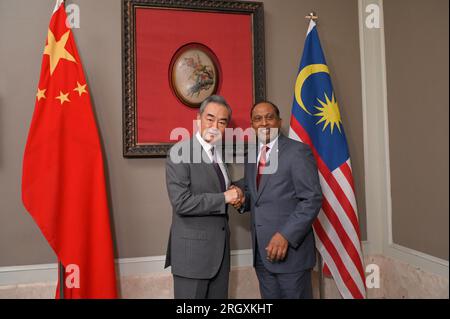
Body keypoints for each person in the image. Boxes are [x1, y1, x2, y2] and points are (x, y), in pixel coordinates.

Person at [232, 101, 323, 299]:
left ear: (279, 121)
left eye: (269, 117)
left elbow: (312, 199)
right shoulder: (251, 155)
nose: (264, 123)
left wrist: (286, 235)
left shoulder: (297, 152)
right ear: (252, 125)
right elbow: (255, 195)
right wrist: (241, 200)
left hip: (291, 255)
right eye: (257, 119)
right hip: (262, 256)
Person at [165, 95, 241, 299]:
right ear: (198, 119)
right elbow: (182, 203)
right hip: (192, 257)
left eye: (222, 121)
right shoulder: (179, 152)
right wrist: (224, 197)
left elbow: (219, 188)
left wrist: (237, 192)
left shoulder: (218, 154)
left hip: (220, 255)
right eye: (210, 118)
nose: (215, 126)